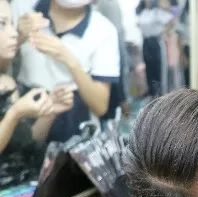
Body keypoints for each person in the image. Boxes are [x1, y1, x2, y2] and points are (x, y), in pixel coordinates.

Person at [12, 0, 120, 143]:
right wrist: (18, 37)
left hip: (75, 119)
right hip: (26, 108)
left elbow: (100, 106)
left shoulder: (104, 29)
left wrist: (69, 60)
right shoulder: (23, 8)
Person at [0, 0, 72, 161]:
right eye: (2, 24)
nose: (14, 33)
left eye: (12, 23)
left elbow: (26, 144)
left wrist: (49, 111)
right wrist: (14, 114)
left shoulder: (8, 83)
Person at [136, 0, 174, 97]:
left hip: (156, 42)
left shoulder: (157, 12)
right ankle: (152, 95)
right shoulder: (143, 12)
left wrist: (163, 31)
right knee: (149, 71)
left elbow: (171, 20)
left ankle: (161, 96)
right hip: (146, 43)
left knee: (159, 72)